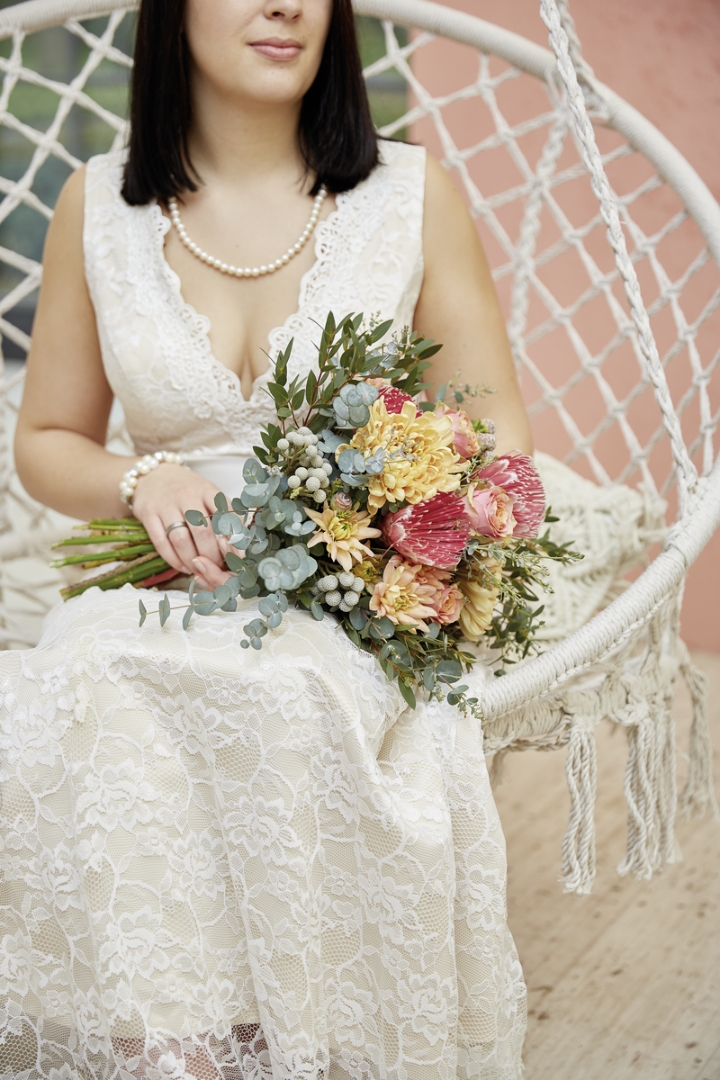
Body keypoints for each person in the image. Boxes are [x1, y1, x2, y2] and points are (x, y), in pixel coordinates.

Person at [1, 0, 532, 1075]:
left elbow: (497, 449)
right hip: (166, 582)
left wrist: (384, 533)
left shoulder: (408, 195)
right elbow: (48, 440)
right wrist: (142, 475)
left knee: (283, 690)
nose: (286, 3)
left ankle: (273, 1045)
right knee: (90, 675)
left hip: (352, 595)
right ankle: (176, 1053)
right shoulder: (94, 206)